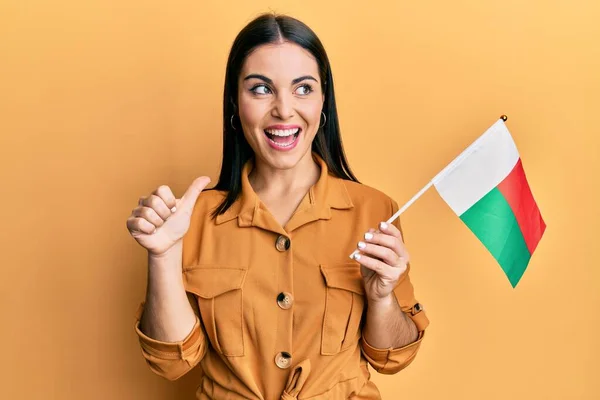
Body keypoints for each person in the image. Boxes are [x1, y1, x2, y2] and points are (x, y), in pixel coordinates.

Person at [127, 12, 429, 400]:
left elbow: (393, 357)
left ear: (324, 102)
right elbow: (172, 363)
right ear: (235, 103)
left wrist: (382, 297)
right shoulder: (192, 219)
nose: (284, 110)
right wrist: (163, 257)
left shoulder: (374, 210)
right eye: (261, 89)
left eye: (303, 88)